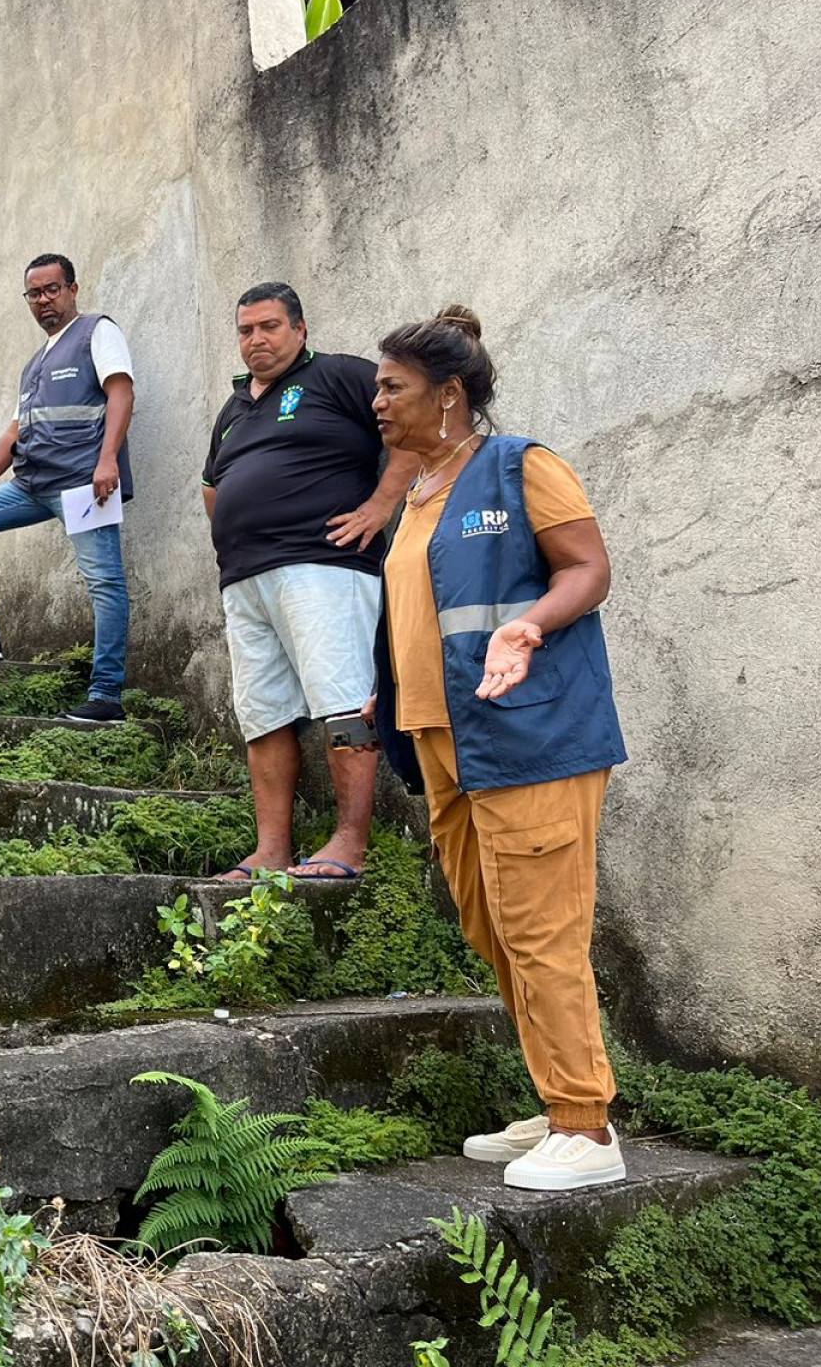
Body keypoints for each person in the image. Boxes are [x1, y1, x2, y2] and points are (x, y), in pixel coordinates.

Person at [368, 305, 629, 1192]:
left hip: (528, 734)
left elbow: (588, 569)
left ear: (447, 396)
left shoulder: (522, 466)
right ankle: (558, 1101)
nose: (377, 400)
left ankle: (586, 1128)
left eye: (392, 386)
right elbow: (419, 609)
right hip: (443, 740)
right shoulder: (418, 490)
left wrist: (527, 626)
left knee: (542, 928)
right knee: (494, 928)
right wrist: (389, 687)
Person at [201, 283, 418, 879]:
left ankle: (349, 844)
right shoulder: (233, 408)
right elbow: (213, 484)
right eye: (246, 330)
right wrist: (235, 535)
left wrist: (379, 507)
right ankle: (272, 850)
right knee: (263, 713)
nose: (256, 340)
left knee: (344, 702)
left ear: (300, 329)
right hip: (245, 580)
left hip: (322, 566)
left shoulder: (339, 376)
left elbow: (410, 428)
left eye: (269, 327)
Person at [0, 253, 136, 724]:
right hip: (32, 483)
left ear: (72, 289)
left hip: (84, 486)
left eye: (52, 289)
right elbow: (14, 433)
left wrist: (108, 459)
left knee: (105, 583)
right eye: (34, 293)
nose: (44, 300)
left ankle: (106, 695)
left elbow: (122, 393)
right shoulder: (33, 366)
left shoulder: (97, 332)